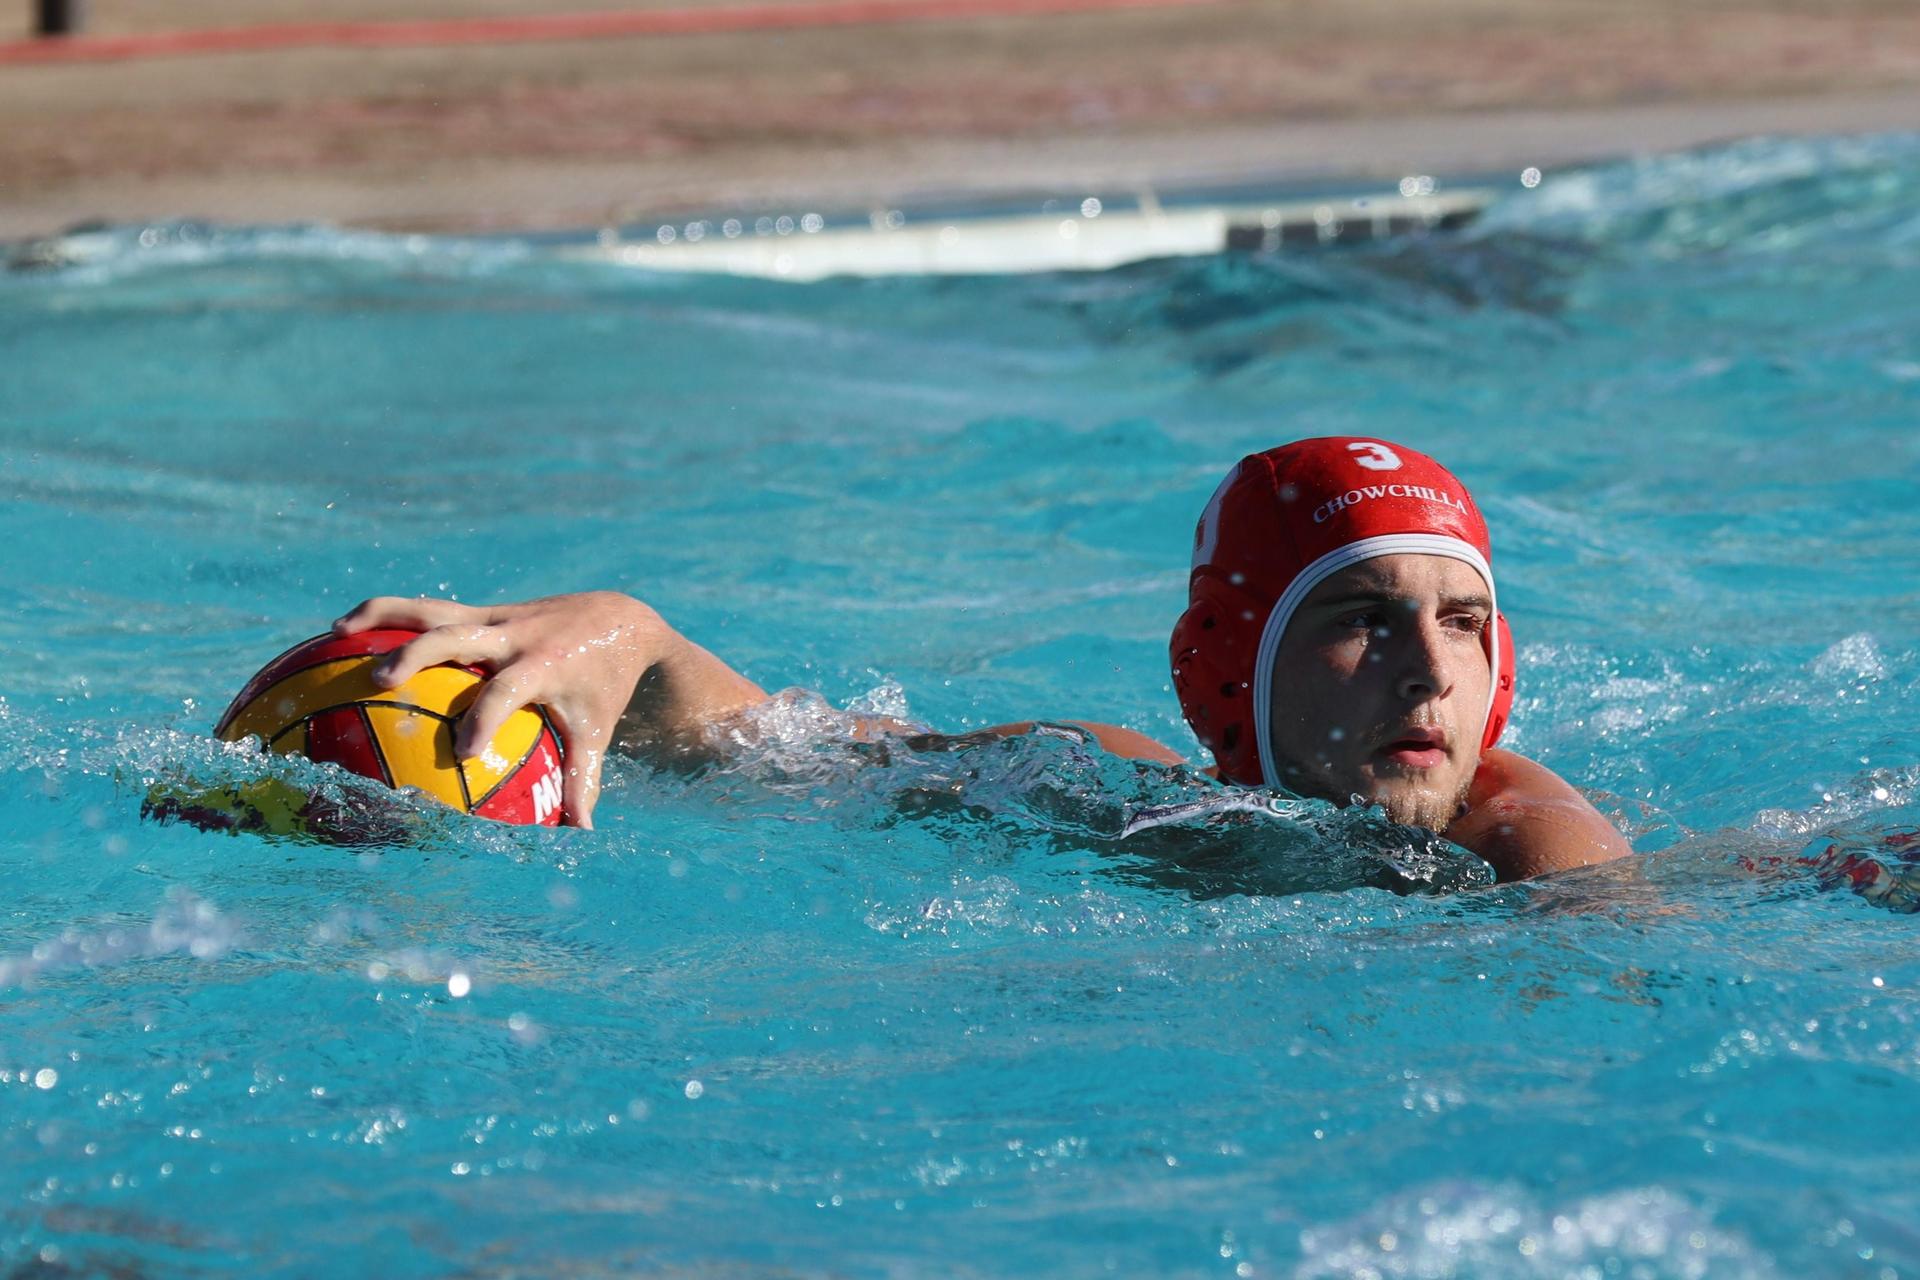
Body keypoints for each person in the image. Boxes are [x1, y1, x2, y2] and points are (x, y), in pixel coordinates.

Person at [334, 437, 1631, 881]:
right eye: (1361, 616)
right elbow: (805, 756)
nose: (1429, 673)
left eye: (1467, 623)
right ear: (1236, 667)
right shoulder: (1135, 799)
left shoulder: (1527, 847)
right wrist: (637, 643)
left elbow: (1614, 964)